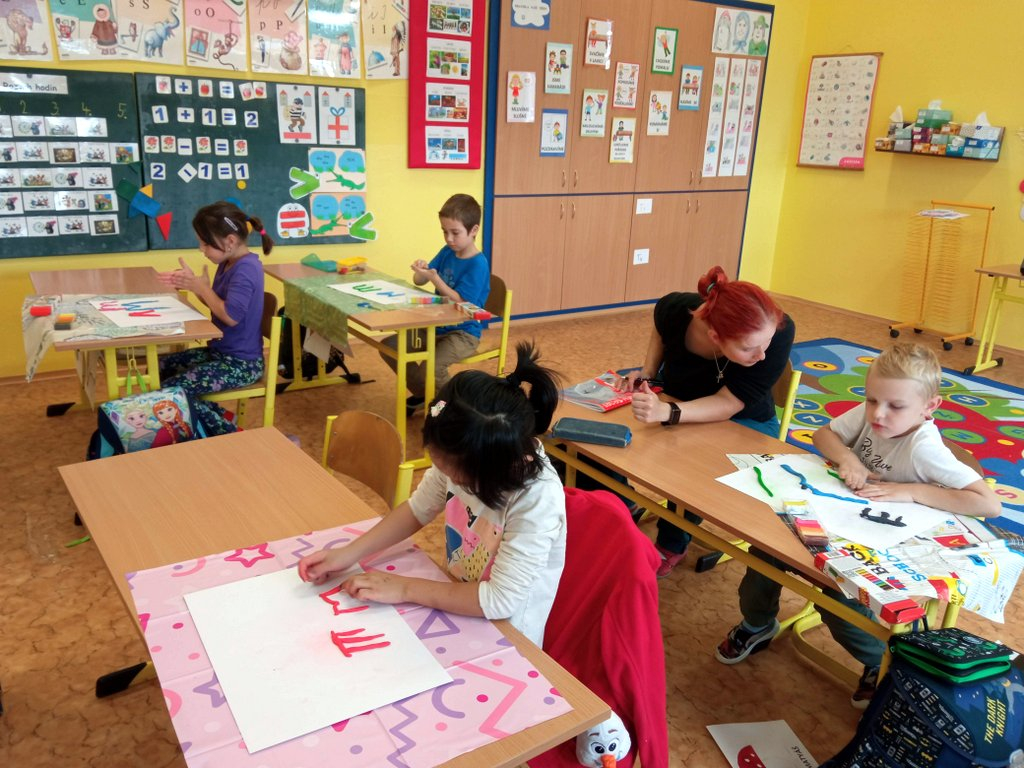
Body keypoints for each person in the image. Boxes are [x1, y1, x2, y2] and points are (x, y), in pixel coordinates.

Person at [716, 343, 1001, 708]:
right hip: (840, 519)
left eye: (895, 406)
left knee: (835, 595)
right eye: (871, 400)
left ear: (929, 407)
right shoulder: (874, 412)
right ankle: (758, 624)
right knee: (766, 548)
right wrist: (848, 458)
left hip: (883, 544)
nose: (878, 414)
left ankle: (878, 662)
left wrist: (911, 491)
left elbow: (988, 504)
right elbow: (823, 435)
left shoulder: (924, 448)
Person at [299, 342, 567, 647]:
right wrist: (347, 554)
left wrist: (403, 588)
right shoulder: (465, 456)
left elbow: (499, 600)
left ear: (489, 469)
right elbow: (418, 509)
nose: (448, 478)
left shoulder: (536, 499)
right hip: (458, 598)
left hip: (508, 635)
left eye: (456, 477)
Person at [619, 265, 794, 577]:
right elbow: (661, 325)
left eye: (764, 343)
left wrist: (668, 413)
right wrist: (648, 373)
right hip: (681, 402)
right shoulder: (678, 309)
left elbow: (728, 404)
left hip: (745, 423)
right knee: (609, 437)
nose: (762, 356)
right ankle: (622, 501)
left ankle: (672, 542)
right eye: (748, 348)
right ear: (715, 337)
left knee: (691, 470)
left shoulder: (779, 331)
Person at [157, 201, 273, 436]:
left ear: (230, 241)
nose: (201, 249)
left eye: (206, 243)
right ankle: (220, 415)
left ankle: (231, 433)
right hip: (220, 353)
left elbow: (230, 316)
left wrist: (201, 288)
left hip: (241, 364)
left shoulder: (246, 269)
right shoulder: (227, 262)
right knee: (158, 368)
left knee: (174, 391)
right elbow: (218, 306)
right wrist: (198, 288)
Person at [380, 193, 490, 414]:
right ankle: (426, 394)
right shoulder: (447, 251)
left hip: (463, 333)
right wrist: (421, 271)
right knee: (389, 347)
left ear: (474, 230)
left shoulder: (478, 264)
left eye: (455, 233)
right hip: (435, 326)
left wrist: (435, 279)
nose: (449, 238)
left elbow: (461, 301)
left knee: (431, 369)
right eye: (444, 231)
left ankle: (455, 409)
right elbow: (420, 280)